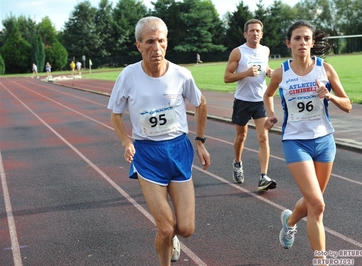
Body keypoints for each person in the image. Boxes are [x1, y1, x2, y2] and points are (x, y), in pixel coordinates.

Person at [107, 16, 210, 266]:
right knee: (165, 228)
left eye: (161, 41)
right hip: (147, 154)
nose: (157, 47)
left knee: (185, 228)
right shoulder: (128, 76)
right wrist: (126, 141)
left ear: (167, 42)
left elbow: (201, 103)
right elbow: (115, 115)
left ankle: (173, 236)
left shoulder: (181, 75)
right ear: (139, 45)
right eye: (150, 41)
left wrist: (200, 140)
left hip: (178, 150)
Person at [263, 20, 352, 260]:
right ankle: (320, 260)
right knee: (318, 205)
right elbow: (268, 94)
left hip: (324, 141)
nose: (302, 42)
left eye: (306, 38)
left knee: (315, 201)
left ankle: (290, 221)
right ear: (288, 43)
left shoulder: (325, 69)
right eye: (297, 38)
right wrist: (270, 115)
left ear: (313, 42)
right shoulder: (282, 72)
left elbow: (348, 105)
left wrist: (330, 96)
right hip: (295, 141)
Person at [223, 19, 277, 191]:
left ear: (262, 34)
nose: (255, 33)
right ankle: (237, 163)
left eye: (258, 31)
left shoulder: (265, 50)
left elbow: (265, 66)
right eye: (252, 31)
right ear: (245, 34)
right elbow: (226, 77)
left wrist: (269, 71)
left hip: (260, 101)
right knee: (241, 136)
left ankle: (263, 176)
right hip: (243, 101)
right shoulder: (238, 53)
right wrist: (245, 73)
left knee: (263, 137)